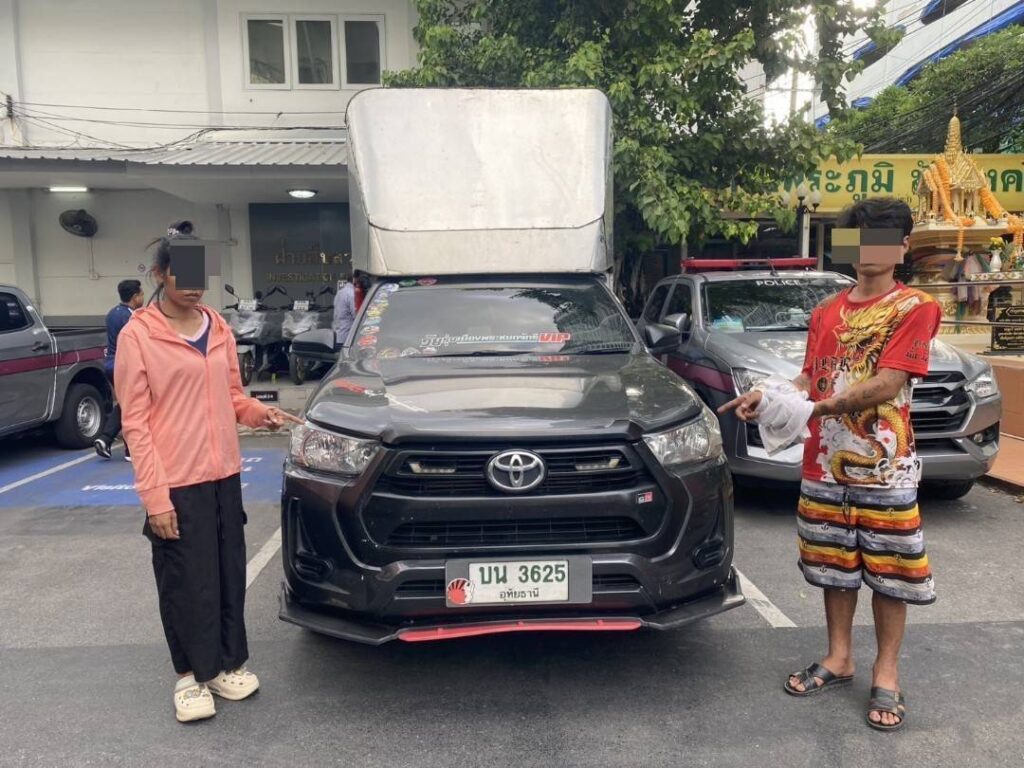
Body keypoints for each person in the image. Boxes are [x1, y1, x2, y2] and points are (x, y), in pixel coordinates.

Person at [719, 198, 941, 732]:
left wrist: (814, 409)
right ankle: (839, 657)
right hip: (823, 463)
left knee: (889, 571)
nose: (867, 249)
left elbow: (888, 382)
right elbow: (810, 379)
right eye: (858, 238)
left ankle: (886, 671)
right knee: (833, 567)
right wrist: (769, 397)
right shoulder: (825, 311)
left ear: (902, 247)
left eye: (879, 238)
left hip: (884, 466)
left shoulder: (915, 306)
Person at [116, 234, 301, 723]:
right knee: (184, 581)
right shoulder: (138, 336)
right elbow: (136, 423)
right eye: (184, 272)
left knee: (226, 574)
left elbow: (232, 394)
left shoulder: (217, 325)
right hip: (176, 480)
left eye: (202, 272)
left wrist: (259, 414)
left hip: (223, 475)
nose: (195, 285)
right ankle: (188, 677)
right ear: (160, 274)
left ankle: (224, 666)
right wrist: (155, 498)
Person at [95, 279, 144, 460]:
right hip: (125, 365)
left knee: (125, 403)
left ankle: (105, 439)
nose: (143, 297)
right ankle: (129, 449)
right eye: (141, 294)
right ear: (135, 296)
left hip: (111, 364)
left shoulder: (112, 313)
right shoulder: (132, 317)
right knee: (134, 406)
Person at [332, 270, 370, 345]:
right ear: (354, 279)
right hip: (347, 338)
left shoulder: (340, 292)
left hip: (338, 336)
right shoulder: (352, 294)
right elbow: (358, 317)